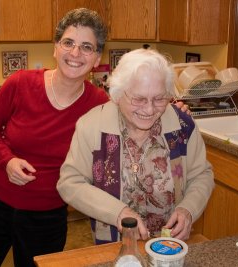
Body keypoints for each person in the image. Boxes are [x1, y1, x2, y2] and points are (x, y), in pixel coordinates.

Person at [0, 8, 189, 267]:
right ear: (56, 48)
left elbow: (141, 112)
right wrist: (7, 160)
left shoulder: (101, 104)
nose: (75, 53)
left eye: (86, 47)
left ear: (97, 57)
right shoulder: (20, 83)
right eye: (68, 43)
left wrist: (172, 112)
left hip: (47, 217)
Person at [57, 48, 215, 244]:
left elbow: (201, 175)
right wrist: (118, 212)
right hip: (113, 245)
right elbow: (70, 183)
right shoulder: (91, 126)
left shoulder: (182, 126)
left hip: (169, 245)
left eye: (159, 98)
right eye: (139, 99)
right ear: (117, 94)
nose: (149, 109)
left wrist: (188, 209)